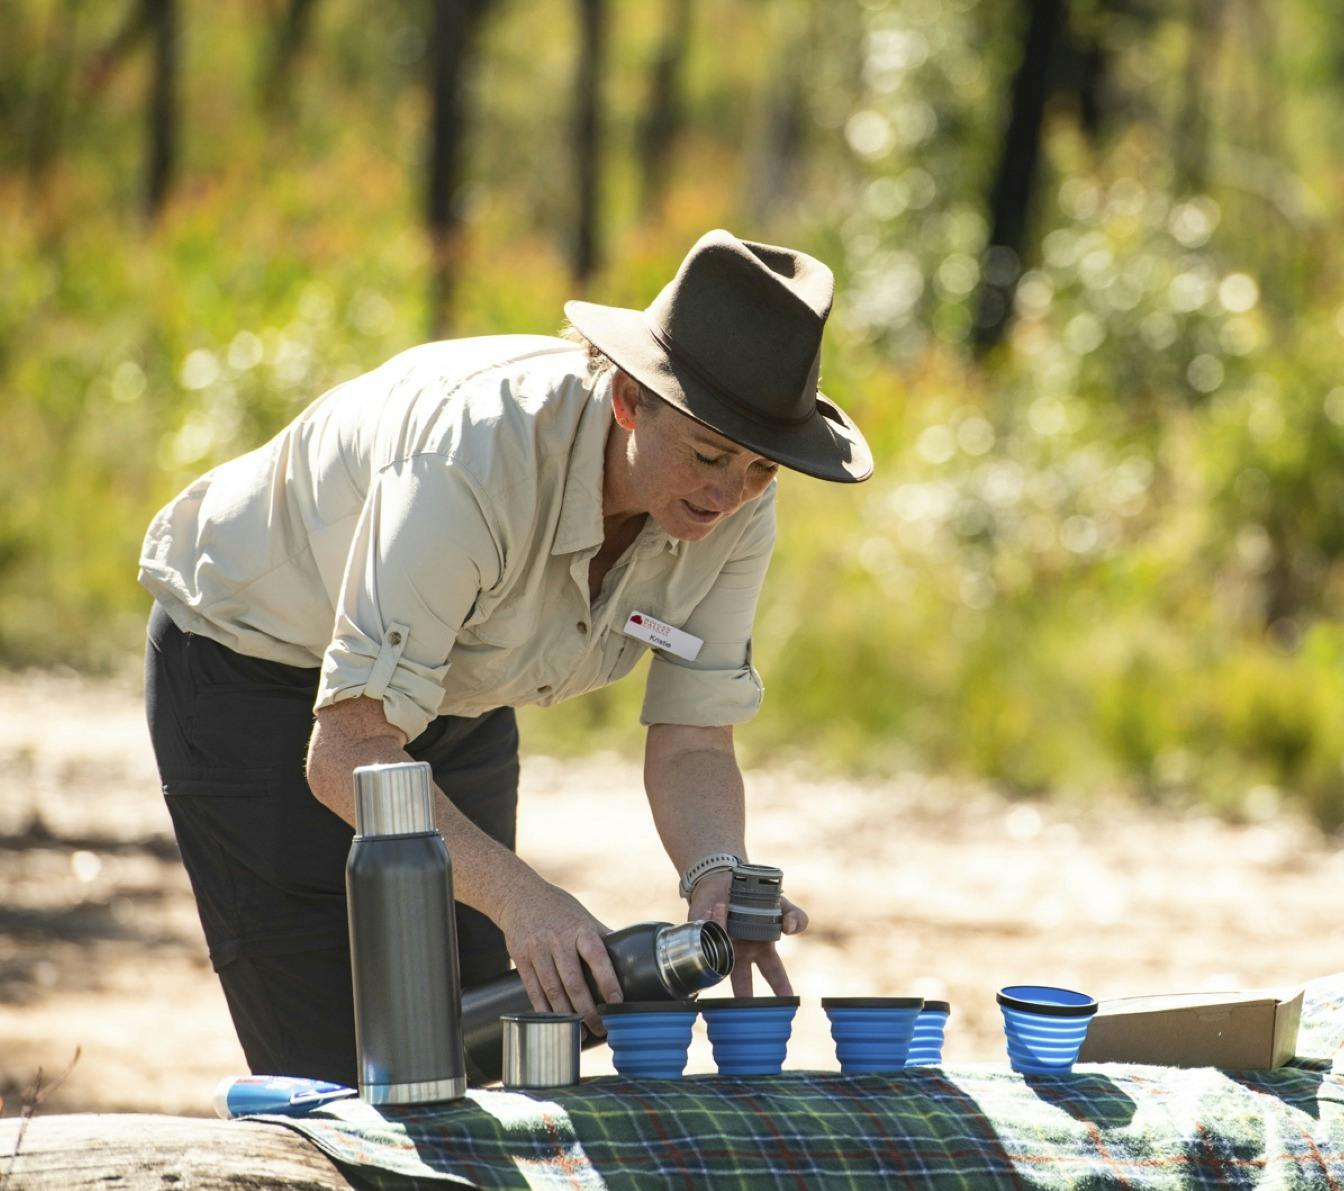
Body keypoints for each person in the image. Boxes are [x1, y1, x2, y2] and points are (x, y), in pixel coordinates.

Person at [138, 229, 873, 1085]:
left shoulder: (735, 502)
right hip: (257, 673)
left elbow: (696, 737)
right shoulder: (471, 460)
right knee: (346, 1073)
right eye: (709, 456)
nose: (727, 494)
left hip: (451, 696)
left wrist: (716, 871)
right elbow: (346, 753)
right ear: (630, 400)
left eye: (759, 468)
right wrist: (526, 898)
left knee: (491, 1048)